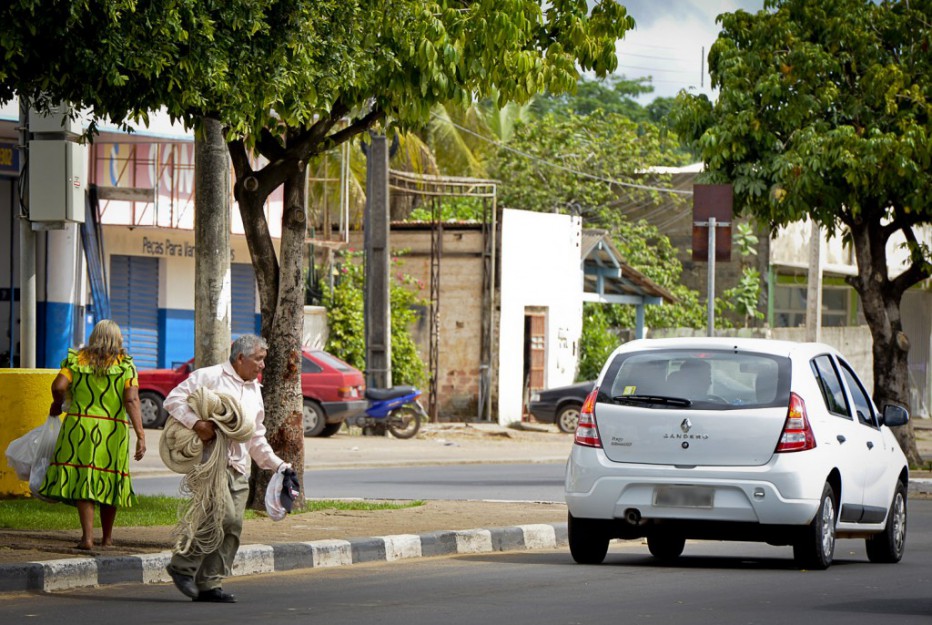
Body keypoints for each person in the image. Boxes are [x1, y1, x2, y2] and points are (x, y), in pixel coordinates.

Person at [164, 334, 289, 604]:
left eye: (263, 361)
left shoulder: (255, 390)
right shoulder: (209, 376)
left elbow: (255, 436)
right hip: (211, 463)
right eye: (259, 359)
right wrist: (197, 423)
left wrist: (278, 465)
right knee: (222, 518)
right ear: (240, 358)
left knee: (233, 527)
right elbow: (173, 400)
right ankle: (181, 567)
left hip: (238, 467)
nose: (262, 366)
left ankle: (210, 584)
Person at [38, 319, 147, 550]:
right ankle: (107, 539)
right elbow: (131, 399)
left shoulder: (76, 360)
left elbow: (58, 387)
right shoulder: (126, 365)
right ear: (117, 339)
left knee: (84, 478)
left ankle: (87, 538)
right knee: (109, 478)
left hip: (79, 427)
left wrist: (57, 405)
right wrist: (140, 434)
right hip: (111, 430)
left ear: (93, 337)